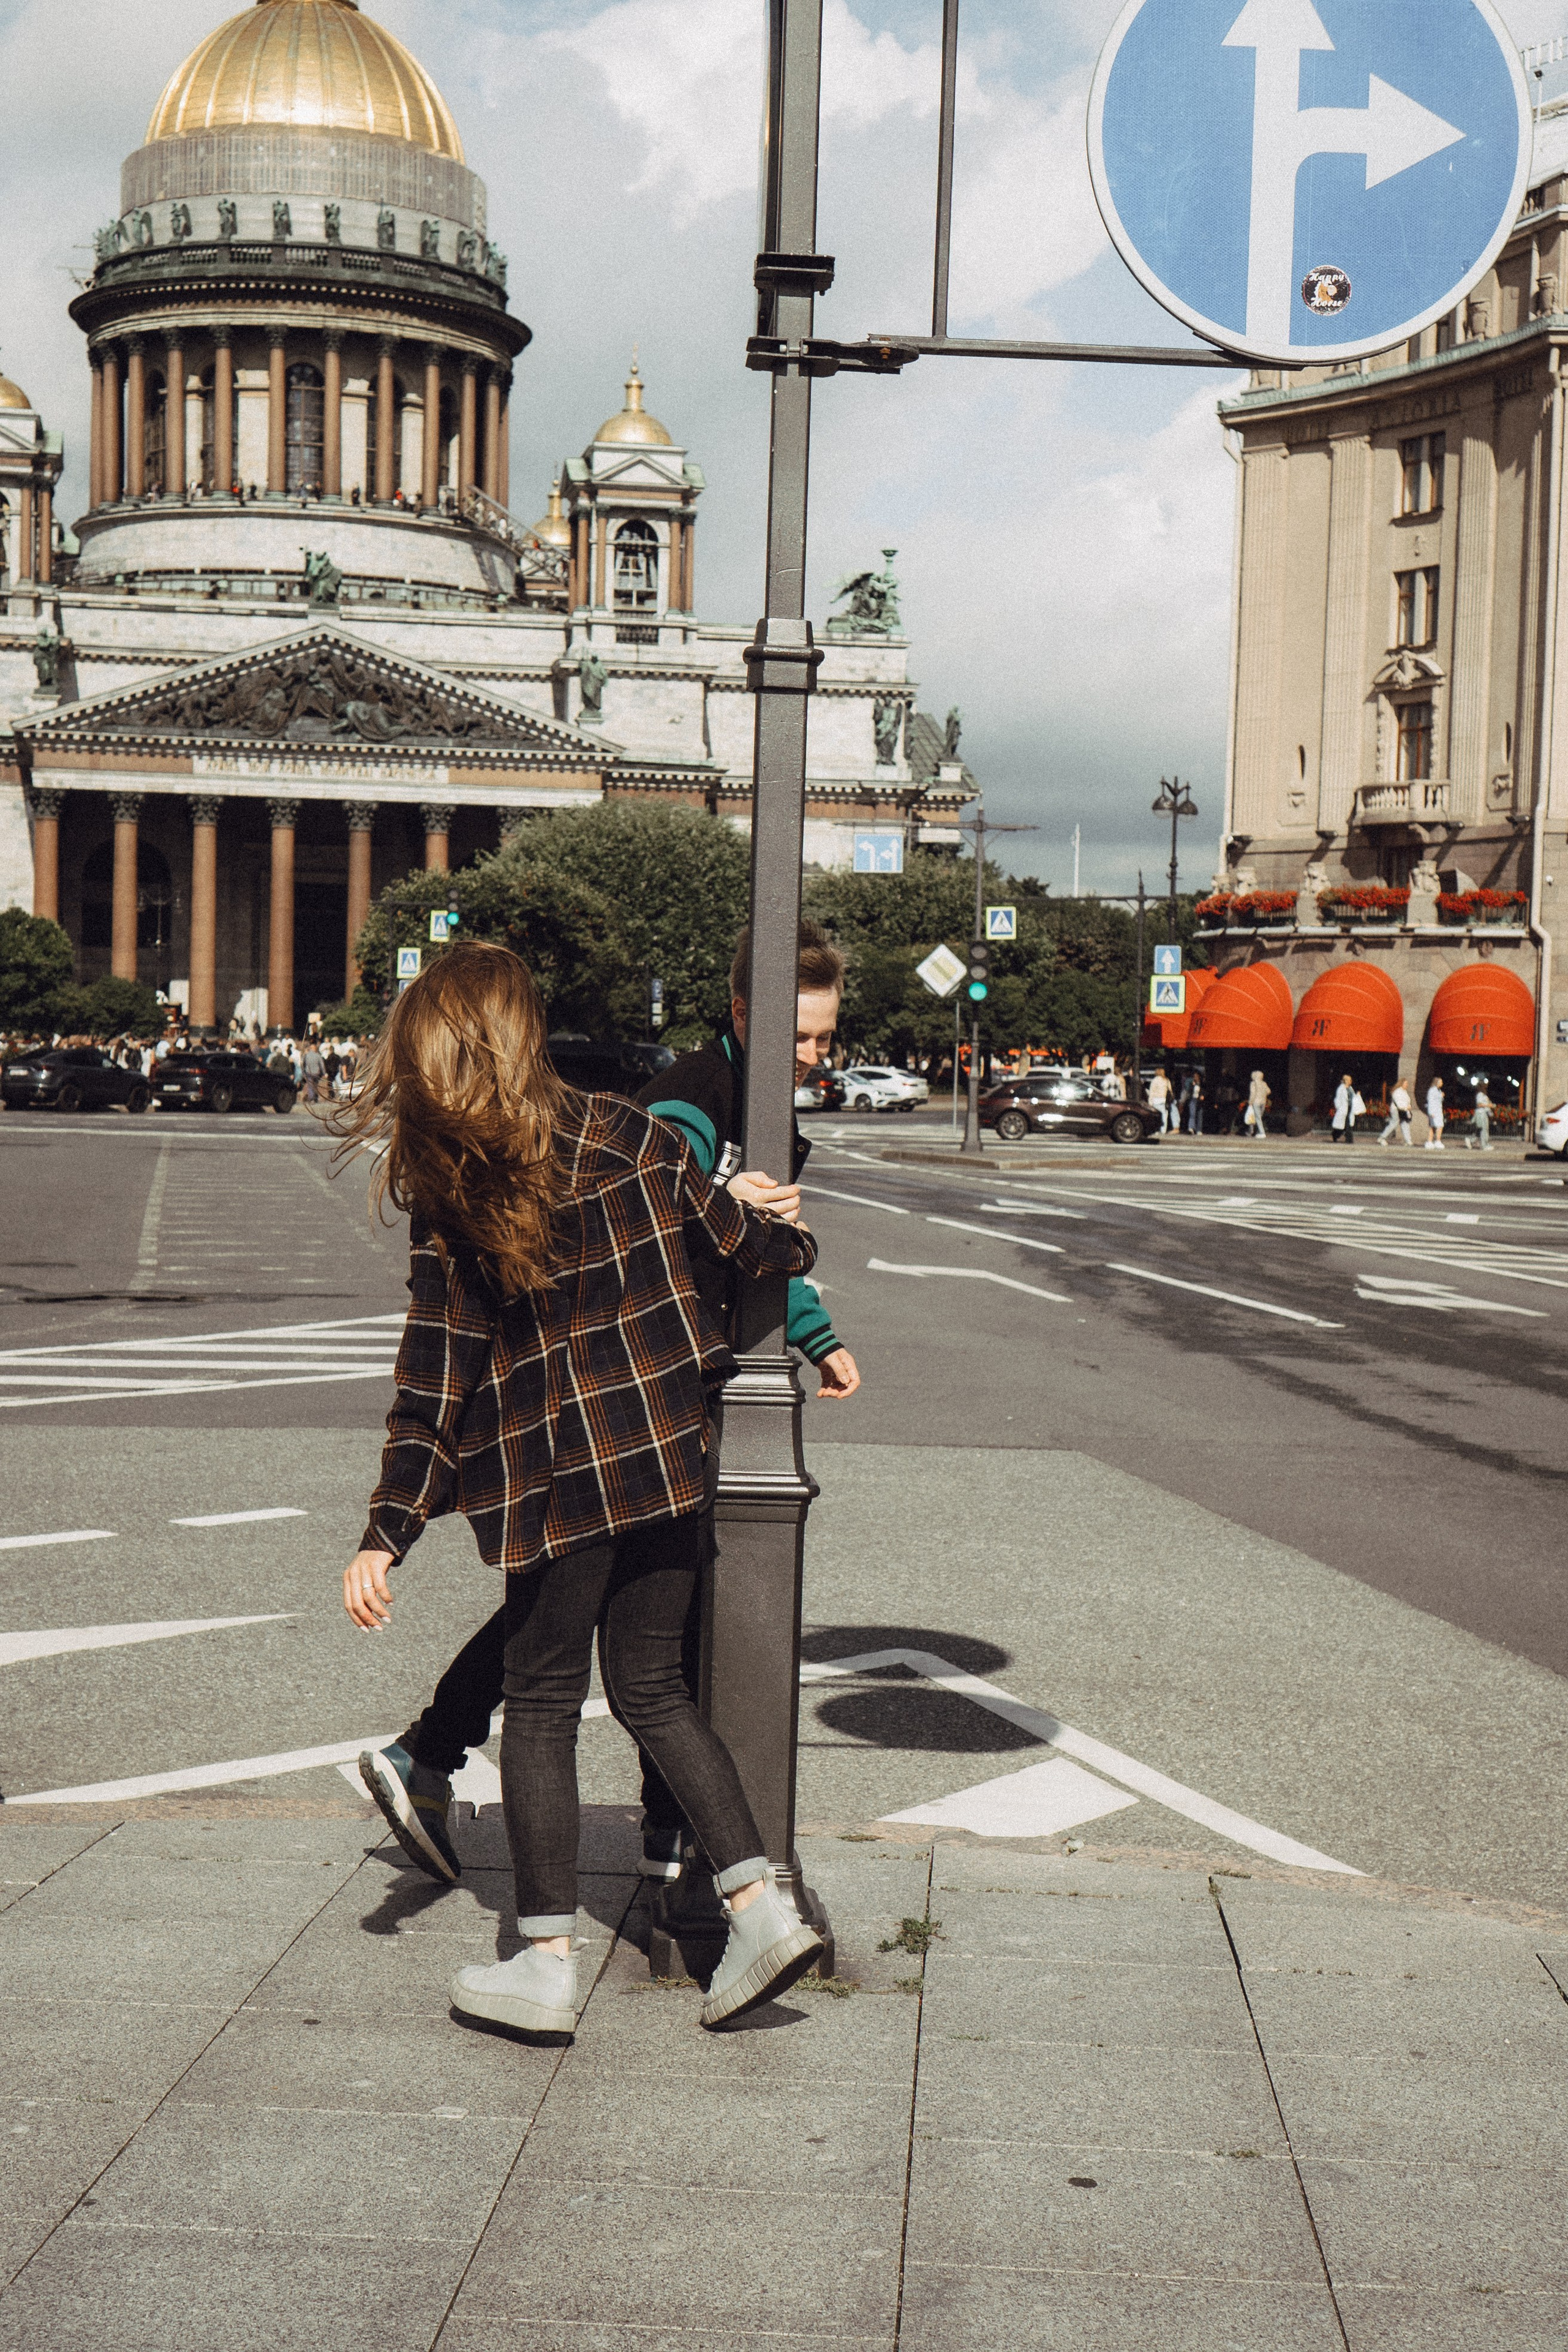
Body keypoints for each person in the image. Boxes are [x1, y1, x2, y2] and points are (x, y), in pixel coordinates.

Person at [339, 943, 824, 2038]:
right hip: (667, 1463)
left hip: (554, 1484)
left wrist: (386, 1531)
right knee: (655, 1690)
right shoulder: (638, 1136)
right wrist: (777, 1224)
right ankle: (762, 1910)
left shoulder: (464, 1191)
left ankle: (546, 1961)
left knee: (544, 1702)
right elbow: (759, 1248)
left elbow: (435, 1382)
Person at [1330, 1072, 1364, 1144]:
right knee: (1343, 1125)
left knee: (1347, 1124)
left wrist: (1357, 1095)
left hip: (1349, 1108)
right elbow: (1338, 1099)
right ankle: (1336, 1135)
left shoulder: (1350, 1088)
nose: (1351, 1081)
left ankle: (1349, 1139)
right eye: (1350, 1080)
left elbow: (1353, 1098)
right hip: (1343, 1109)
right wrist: (1339, 1107)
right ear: (1346, 1081)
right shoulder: (1341, 1089)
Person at [1378, 1080, 1414, 1146]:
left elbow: (1408, 1101)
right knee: (1394, 1123)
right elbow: (1398, 1103)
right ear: (1401, 1084)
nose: (1407, 1085)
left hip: (1403, 1110)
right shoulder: (1397, 1092)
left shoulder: (1404, 1092)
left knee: (1405, 1124)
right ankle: (1382, 1137)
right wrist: (1406, 1107)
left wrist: (1408, 1106)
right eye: (1406, 1083)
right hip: (1396, 1110)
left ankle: (1408, 1140)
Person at [1244, 1068, 1270, 1139]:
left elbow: (1253, 1094)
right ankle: (1251, 1131)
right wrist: (1263, 1094)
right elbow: (1269, 1091)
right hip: (1263, 1102)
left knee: (1257, 1118)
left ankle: (1262, 1133)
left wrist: (1250, 1102)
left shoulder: (1253, 1083)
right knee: (1257, 1117)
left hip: (1256, 1102)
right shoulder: (1264, 1083)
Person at [1468, 1079, 1493, 1152]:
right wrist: (1488, 1105)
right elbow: (1479, 1105)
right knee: (1484, 1130)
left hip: (1484, 1113)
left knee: (1482, 1130)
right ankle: (1484, 1145)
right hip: (1481, 1114)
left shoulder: (1484, 1095)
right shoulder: (1480, 1095)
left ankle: (1471, 1140)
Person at [1147, 1068, 1171, 1132]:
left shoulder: (1155, 1080)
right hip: (1164, 1100)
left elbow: (1152, 1092)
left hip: (1156, 1100)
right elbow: (1170, 1091)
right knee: (1164, 1115)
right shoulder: (1166, 1080)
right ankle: (1163, 1130)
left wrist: (1150, 1102)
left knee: (1156, 1116)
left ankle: (1156, 1130)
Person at [1425, 1075, 1446, 1149]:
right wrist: (1431, 1112)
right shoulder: (1432, 1091)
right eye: (1441, 1082)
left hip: (1438, 1111)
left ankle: (1430, 1142)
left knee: (1434, 1127)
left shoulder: (1438, 1090)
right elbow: (1430, 1101)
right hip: (1434, 1111)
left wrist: (1441, 1096)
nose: (1442, 1083)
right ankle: (1437, 1141)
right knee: (1439, 1126)